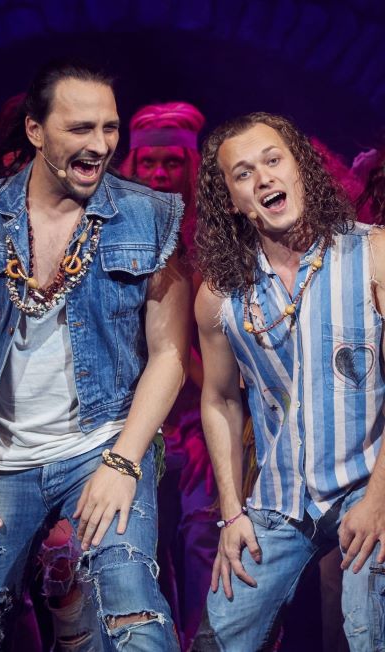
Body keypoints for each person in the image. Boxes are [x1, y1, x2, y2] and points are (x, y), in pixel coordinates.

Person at [0, 59, 190, 651]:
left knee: (133, 617)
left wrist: (123, 462)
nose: (99, 145)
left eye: (109, 127)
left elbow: (170, 354)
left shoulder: (149, 216)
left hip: (103, 445)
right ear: (35, 130)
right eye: (80, 128)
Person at [193, 111, 385, 651]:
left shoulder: (372, 254)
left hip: (369, 481)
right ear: (232, 200)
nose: (264, 178)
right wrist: (232, 513)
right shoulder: (221, 295)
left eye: (274, 160)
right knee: (217, 640)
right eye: (244, 173)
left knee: (365, 632)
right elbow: (220, 400)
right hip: (279, 497)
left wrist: (379, 499)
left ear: (300, 167)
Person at [121, 102, 219, 649]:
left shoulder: (214, 240)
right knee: (138, 546)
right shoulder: (117, 229)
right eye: (148, 163)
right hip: (131, 419)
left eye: (172, 163)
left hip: (201, 418)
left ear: (191, 166)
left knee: (204, 533)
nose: (159, 174)